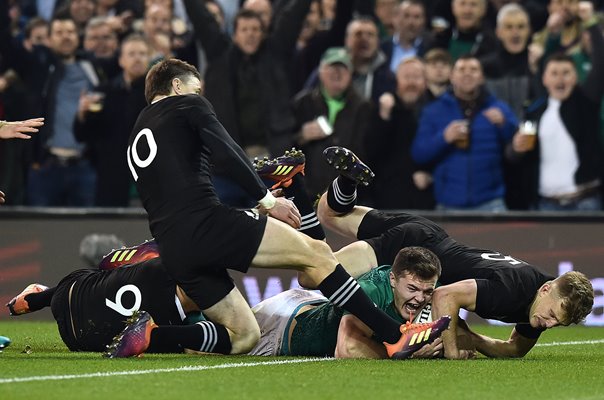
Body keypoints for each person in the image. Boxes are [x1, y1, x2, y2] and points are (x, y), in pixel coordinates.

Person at [122, 58, 442, 359]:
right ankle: (394, 335)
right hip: (206, 223)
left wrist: (258, 178)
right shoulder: (188, 104)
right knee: (317, 254)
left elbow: (193, 178)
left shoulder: (140, 131)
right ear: (177, 86)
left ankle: (152, 335)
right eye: (195, 88)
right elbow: (226, 151)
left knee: (244, 336)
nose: (199, 95)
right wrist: (267, 201)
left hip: (174, 247)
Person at [316, 145, 594, 359]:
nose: (549, 324)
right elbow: (443, 296)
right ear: (546, 290)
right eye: (553, 315)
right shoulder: (515, 291)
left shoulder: (544, 299)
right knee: (316, 271)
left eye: (559, 323)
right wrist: (452, 350)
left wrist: (473, 339)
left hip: (426, 232)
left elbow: (514, 350)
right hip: (413, 251)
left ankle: (348, 181)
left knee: (329, 213)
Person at [250, 246, 444, 359]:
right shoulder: (372, 290)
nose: (420, 298)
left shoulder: (430, 291)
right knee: (233, 341)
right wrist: (407, 353)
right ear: (393, 280)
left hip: (316, 304)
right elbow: (346, 349)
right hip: (279, 327)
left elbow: (453, 329)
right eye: (412, 289)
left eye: (427, 291)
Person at [411, 55, 519, 211]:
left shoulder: (499, 108)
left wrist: (505, 124)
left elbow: (517, 148)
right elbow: (419, 154)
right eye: (461, 70)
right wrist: (444, 137)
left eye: (473, 70)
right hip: (447, 204)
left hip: (491, 202)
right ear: (452, 77)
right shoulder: (433, 111)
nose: (467, 74)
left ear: (482, 77)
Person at [292, 47, 371, 198]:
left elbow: (370, 153)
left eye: (343, 68)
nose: (337, 73)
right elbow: (283, 146)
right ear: (320, 72)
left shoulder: (363, 108)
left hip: (348, 196)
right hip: (309, 194)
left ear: (350, 74)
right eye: (332, 67)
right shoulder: (302, 103)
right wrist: (301, 136)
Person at [366, 57, 435, 210]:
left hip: (426, 198)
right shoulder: (382, 109)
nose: (411, 83)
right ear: (397, 80)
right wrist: (384, 117)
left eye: (416, 77)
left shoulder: (436, 109)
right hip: (389, 198)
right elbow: (371, 153)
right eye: (406, 77)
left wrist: (432, 176)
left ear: (425, 81)